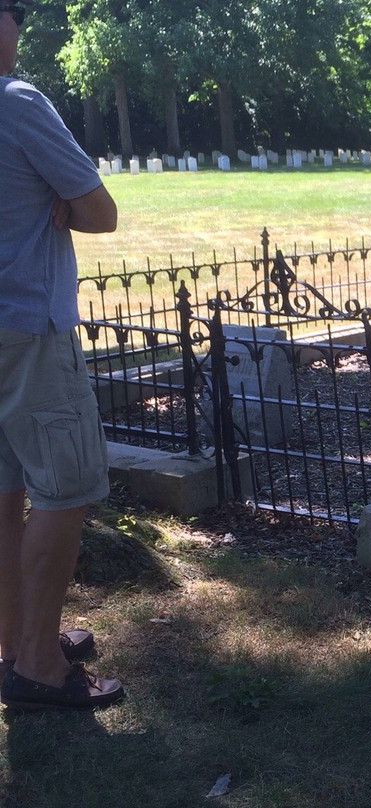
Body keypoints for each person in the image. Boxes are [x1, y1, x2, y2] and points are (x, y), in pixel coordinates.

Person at [0, 1, 124, 710]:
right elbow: (101, 210)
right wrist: (67, 204)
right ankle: (41, 667)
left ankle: (15, 643)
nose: (18, 22)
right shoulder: (17, 101)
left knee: (4, 490)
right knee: (66, 490)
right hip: (29, 328)